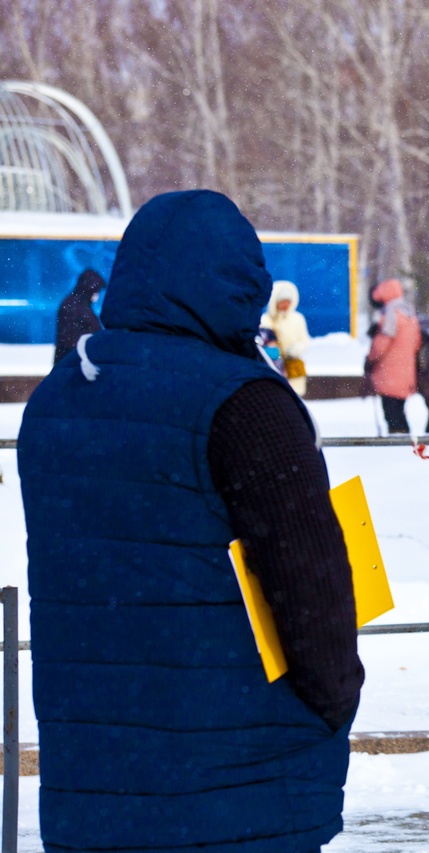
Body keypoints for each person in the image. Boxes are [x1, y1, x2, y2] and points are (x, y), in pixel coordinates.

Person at [18, 190, 363, 852]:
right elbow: (314, 586)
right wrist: (330, 704)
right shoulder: (245, 403)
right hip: (237, 787)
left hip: (92, 787)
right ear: (241, 283)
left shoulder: (60, 399)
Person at [365, 278, 421, 434]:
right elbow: (416, 343)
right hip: (406, 371)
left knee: (391, 412)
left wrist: (371, 358)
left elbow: (382, 343)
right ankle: (404, 439)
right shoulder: (409, 312)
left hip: (389, 371)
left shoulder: (391, 314)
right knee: (399, 409)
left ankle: (398, 443)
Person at [261, 279, 312, 395]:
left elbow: (304, 339)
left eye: (288, 301)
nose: (285, 305)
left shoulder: (297, 319)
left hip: (293, 366)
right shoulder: (266, 320)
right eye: (282, 301)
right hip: (273, 365)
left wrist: (296, 349)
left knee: (295, 397)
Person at [52, 268, 105, 365]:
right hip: (75, 366)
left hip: (74, 364)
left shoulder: (77, 305)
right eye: (96, 291)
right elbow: (70, 342)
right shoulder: (74, 307)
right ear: (89, 289)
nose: (97, 296)